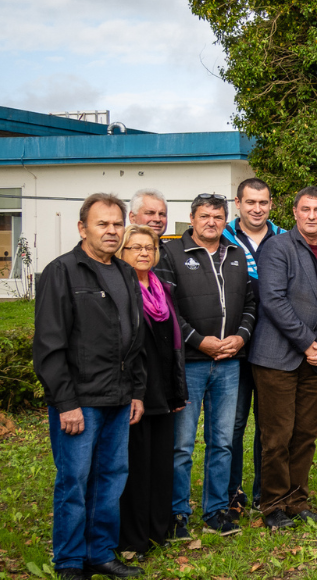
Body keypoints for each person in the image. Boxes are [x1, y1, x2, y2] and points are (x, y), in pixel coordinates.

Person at [34, 193, 146, 579]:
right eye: (103, 224)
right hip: (79, 401)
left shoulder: (126, 272)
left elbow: (135, 339)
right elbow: (49, 345)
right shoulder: (62, 272)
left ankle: (99, 552)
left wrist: (136, 391)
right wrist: (65, 402)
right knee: (74, 482)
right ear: (83, 228)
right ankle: (69, 561)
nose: (112, 231)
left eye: (117, 224)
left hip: (118, 397)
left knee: (111, 480)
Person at [157, 193, 256, 538]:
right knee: (182, 445)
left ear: (225, 220)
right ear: (192, 218)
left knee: (223, 441)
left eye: (217, 216)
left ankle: (215, 511)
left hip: (230, 363)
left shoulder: (235, 254)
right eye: (204, 216)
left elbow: (251, 303)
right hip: (192, 364)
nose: (211, 222)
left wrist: (241, 337)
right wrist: (200, 341)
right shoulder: (171, 254)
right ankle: (177, 514)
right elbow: (166, 309)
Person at [249, 186, 317, 529]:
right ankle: (273, 504)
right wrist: (308, 343)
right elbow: (274, 300)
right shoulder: (277, 247)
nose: (311, 215)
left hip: (316, 360)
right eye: (305, 209)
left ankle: (297, 499)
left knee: (306, 433)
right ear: (294, 212)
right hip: (277, 357)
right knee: (277, 436)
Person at [117, 225, 187, 558]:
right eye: (135, 248)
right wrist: (134, 392)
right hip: (135, 392)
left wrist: (176, 390)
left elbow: (172, 343)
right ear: (122, 252)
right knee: (136, 466)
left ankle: (159, 531)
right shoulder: (121, 290)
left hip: (164, 389)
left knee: (161, 464)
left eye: (149, 247)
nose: (144, 253)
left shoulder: (163, 289)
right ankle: (134, 538)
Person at [223, 177, 286, 516]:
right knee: (233, 424)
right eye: (250, 202)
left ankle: (266, 492)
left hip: (275, 348)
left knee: (269, 424)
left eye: (263, 202)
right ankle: (233, 493)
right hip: (236, 347)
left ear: (271, 204)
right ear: (238, 203)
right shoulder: (222, 238)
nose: (257, 209)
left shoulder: (286, 239)